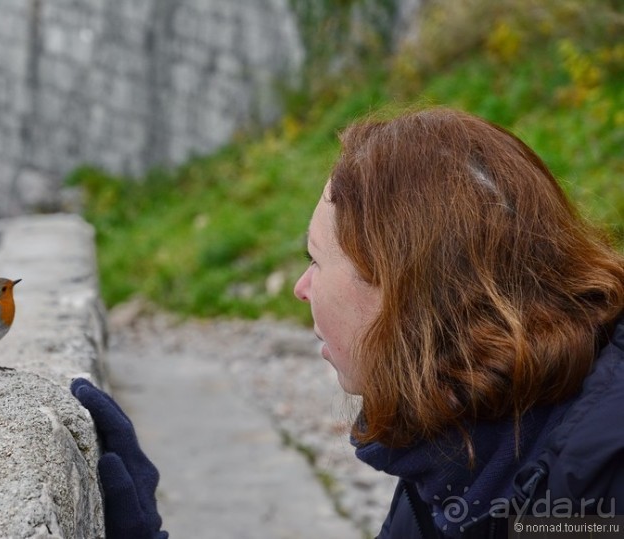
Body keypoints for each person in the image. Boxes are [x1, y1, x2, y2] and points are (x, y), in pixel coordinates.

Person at [71, 107, 624, 538]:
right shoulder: (465, 437)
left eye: (316, 259)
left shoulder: (597, 481)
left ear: (401, 288)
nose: (301, 287)